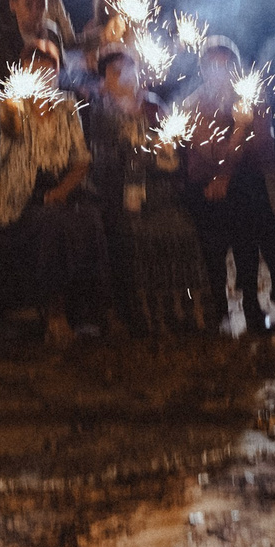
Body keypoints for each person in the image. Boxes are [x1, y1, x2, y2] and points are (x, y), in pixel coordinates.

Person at [183, 39, 275, 334]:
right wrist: (240, 130)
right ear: (203, 70)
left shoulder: (251, 100)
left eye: (227, 64)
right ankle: (270, 290)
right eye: (213, 65)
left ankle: (250, 303)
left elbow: (264, 151)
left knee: (247, 197)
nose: (220, 72)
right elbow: (211, 155)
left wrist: (246, 127)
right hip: (204, 187)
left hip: (235, 186)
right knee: (250, 201)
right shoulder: (194, 104)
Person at [0, 37, 108, 346]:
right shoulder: (10, 101)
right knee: (51, 224)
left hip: (62, 186)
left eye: (49, 71)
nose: (44, 77)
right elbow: (11, 129)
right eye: (36, 70)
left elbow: (82, 159)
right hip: (24, 190)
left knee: (90, 221)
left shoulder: (67, 106)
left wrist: (63, 189)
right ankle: (54, 314)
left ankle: (90, 313)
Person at [85, 44, 209, 333]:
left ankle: (187, 313)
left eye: (129, 70)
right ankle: (146, 316)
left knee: (180, 227)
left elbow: (176, 154)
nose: (125, 77)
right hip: (118, 194)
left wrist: (164, 152)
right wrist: (132, 156)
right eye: (116, 73)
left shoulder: (154, 107)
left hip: (161, 189)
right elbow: (101, 162)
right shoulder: (101, 112)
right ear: (105, 80)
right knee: (136, 230)